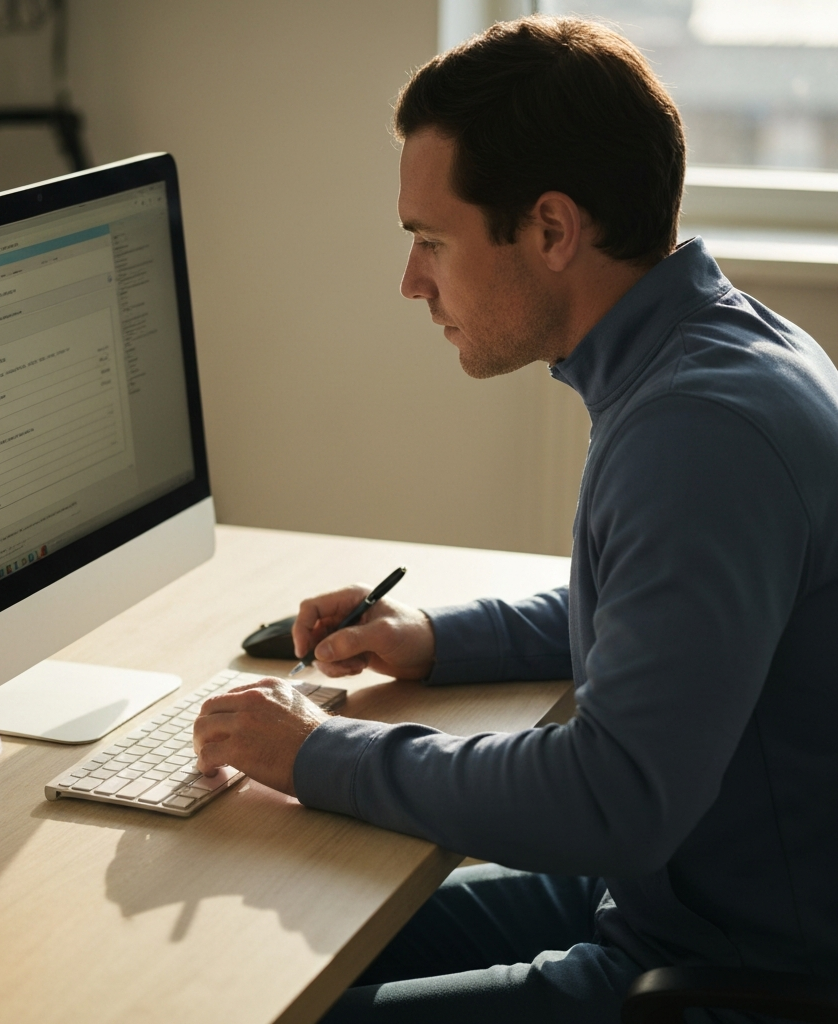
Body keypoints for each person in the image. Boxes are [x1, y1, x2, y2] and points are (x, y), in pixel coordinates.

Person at [193, 16, 838, 1024]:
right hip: (676, 903)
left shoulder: (695, 434)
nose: (412, 282)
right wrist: (435, 638)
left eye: (429, 240)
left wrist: (312, 753)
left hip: (733, 971)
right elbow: (652, 614)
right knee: (263, 953)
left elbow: (608, 797)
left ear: (547, 229)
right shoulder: (713, 350)